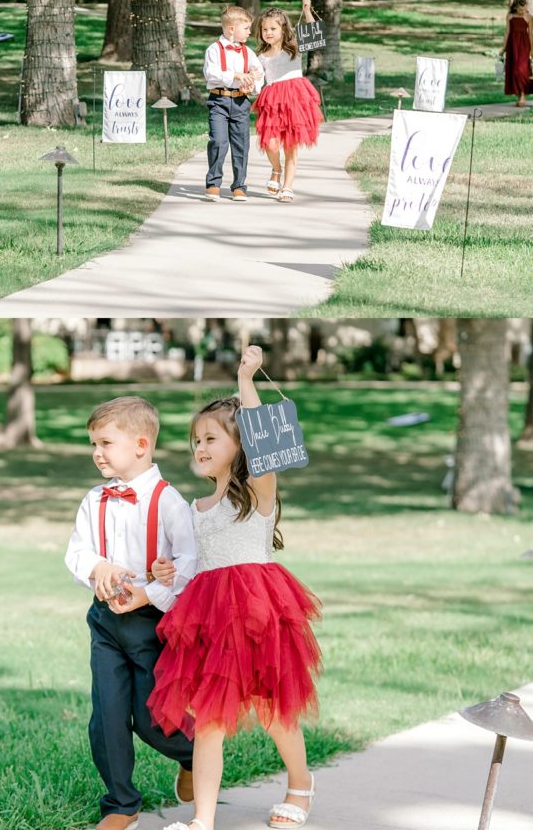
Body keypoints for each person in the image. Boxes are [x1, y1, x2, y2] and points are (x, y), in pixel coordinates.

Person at [147, 346, 322, 830]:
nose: (199, 448)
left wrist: (247, 380)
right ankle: (202, 820)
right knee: (209, 720)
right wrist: (170, 575)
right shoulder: (196, 507)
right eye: (194, 441)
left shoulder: (258, 493)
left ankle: (301, 785)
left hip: (258, 609)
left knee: (273, 709)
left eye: (210, 439)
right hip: (210, 613)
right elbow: (196, 565)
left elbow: (264, 445)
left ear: (240, 444)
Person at [65, 396, 197, 830]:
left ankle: (195, 755)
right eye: (93, 444)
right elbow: (77, 552)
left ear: (141, 445)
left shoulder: (169, 502)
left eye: (105, 442)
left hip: (151, 626)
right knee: (106, 715)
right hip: (104, 622)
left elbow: (189, 563)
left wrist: (150, 592)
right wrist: (98, 567)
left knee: (153, 718)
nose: (96, 452)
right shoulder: (94, 500)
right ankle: (122, 804)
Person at [253, 0, 324, 203]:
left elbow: (315, 34)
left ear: (283, 29)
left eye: (273, 28)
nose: (268, 32)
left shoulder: (294, 47)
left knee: (290, 145)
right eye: (265, 29)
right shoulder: (262, 55)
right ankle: (276, 169)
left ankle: (287, 186)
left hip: (294, 99)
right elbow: (257, 76)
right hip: (273, 101)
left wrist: (307, 11)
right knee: (271, 144)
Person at [202, 5, 264, 202]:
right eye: (246, 28)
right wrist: (235, 75)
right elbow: (212, 75)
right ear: (231, 29)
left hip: (240, 102)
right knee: (218, 141)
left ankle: (239, 185)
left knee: (241, 144)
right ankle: (213, 183)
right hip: (218, 101)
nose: (249, 32)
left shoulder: (248, 52)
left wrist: (252, 82)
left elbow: (258, 72)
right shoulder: (214, 50)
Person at [500, 0, 533, 107]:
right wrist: (503, 48)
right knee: (513, 71)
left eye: (524, 9)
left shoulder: (529, 17)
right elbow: (507, 32)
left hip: (524, 45)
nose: (522, 11)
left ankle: (523, 95)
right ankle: (519, 96)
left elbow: (530, 34)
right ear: (515, 7)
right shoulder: (509, 16)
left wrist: (532, 49)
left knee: (522, 70)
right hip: (512, 45)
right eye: (520, 9)